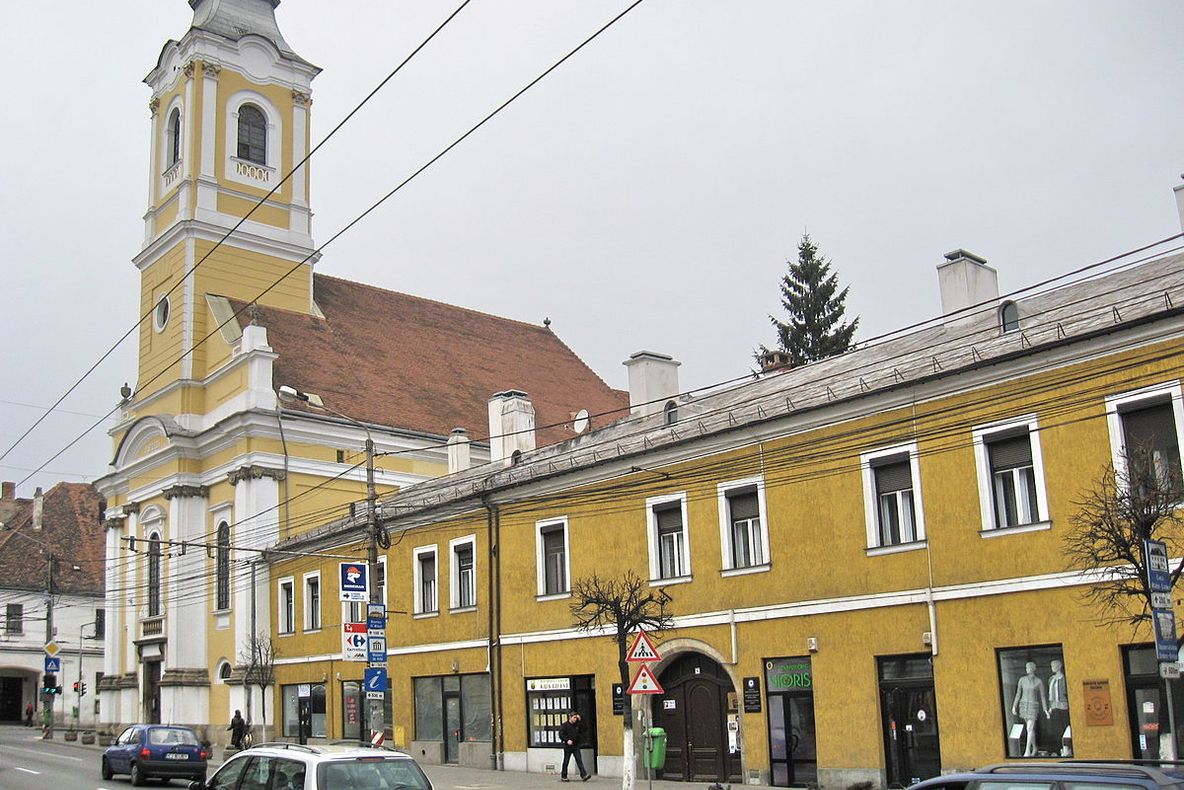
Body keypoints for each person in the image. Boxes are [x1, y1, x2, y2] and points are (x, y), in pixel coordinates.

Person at [1011, 661, 1048, 757]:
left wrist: (1045, 709)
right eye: (1026, 667)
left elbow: (1043, 696)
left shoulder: (1038, 681)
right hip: (1023, 705)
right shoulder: (1022, 680)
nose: (1027, 669)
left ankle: (1027, 751)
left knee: (1029, 728)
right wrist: (1014, 706)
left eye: (1029, 667)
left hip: (1033, 706)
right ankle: (1035, 747)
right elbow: (1018, 693)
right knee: (1030, 729)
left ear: (1033, 669)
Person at [1045, 659, 1071, 756]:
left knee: (1065, 727)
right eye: (1051, 666)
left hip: (1063, 705)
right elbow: (1049, 694)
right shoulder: (1051, 679)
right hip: (1054, 706)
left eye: (1054, 665)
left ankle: (1067, 748)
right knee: (1056, 729)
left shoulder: (1064, 678)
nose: (1052, 668)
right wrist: (1049, 708)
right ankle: (1058, 749)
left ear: (1059, 666)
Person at [558, 711, 590, 782]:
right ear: (570, 717)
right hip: (568, 746)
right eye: (574, 718)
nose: (575, 719)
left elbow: (585, 729)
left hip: (576, 745)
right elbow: (561, 734)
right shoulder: (565, 725)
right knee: (566, 761)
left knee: (579, 760)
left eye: (576, 718)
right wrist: (567, 740)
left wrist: (580, 720)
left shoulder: (577, 725)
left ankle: (584, 775)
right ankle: (564, 776)